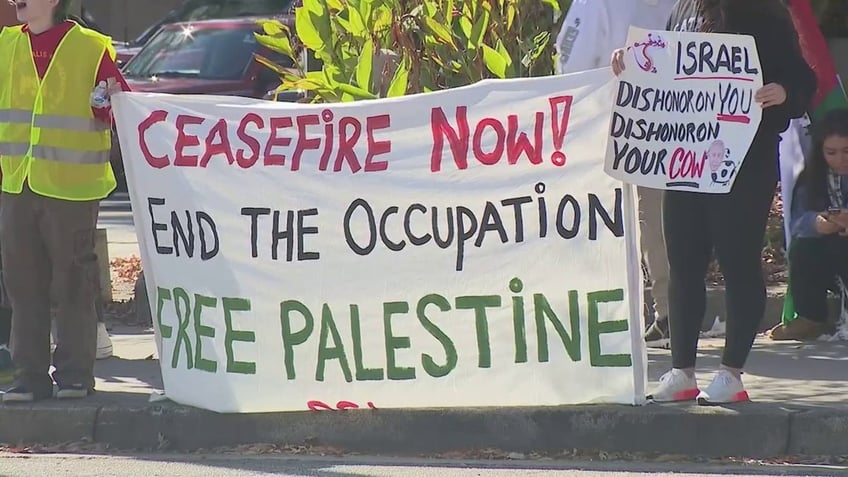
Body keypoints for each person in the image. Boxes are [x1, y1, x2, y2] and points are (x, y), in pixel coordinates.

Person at [611, 0, 816, 405]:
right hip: (686, 158)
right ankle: (681, 370)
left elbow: (803, 80)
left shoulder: (764, 13)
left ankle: (731, 373)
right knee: (683, 263)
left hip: (745, 160)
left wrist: (784, 91)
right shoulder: (683, 10)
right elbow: (665, 67)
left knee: (738, 261)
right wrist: (629, 61)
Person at [0, 0, 128, 402]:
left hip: (72, 188)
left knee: (73, 282)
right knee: (23, 284)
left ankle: (74, 375)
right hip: (17, 184)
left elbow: (121, 105)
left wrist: (106, 100)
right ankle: (29, 375)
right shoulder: (5, 44)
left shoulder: (91, 47)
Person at [556, 0, 677, 349]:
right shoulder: (599, 4)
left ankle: (665, 315)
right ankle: (624, 320)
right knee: (626, 227)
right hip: (609, 128)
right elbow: (572, 65)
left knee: (654, 226)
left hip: (669, 129)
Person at [769, 109, 848, 340]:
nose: (840, 160)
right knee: (803, 247)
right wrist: (817, 223)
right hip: (828, 249)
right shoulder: (812, 177)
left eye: (846, 151)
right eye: (831, 152)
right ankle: (810, 317)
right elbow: (797, 222)